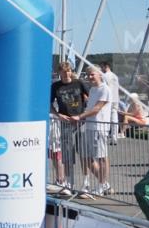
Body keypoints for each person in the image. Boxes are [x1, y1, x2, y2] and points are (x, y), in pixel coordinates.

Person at [71, 66, 112, 195]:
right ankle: (100, 183)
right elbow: (89, 108)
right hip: (88, 126)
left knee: (101, 157)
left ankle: (101, 186)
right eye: (88, 75)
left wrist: (79, 117)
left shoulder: (105, 89)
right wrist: (80, 120)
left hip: (100, 127)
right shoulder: (93, 89)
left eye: (92, 74)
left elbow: (96, 109)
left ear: (99, 74)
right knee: (85, 156)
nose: (89, 77)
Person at [49, 61, 88, 191]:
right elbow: (48, 104)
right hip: (65, 122)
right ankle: (68, 182)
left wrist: (83, 115)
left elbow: (89, 99)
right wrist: (58, 115)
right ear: (59, 73)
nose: (66, 73)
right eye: (64, 71)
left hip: (81, 122)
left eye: (68, 71)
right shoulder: (55, 86)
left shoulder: (79, 83)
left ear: (71, 71)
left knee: (83, 152)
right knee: (67, 153)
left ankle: (85, 183)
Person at [100, 61, 120, 143]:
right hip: (116, 98)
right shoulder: (115, 76)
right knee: (114, 118)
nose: (101, 69)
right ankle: (114, 137)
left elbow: (103, 88)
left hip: (108, 99)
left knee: (105, 118)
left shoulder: (104, 76)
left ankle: (105, 135)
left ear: (106, 66)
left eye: (102, 67)